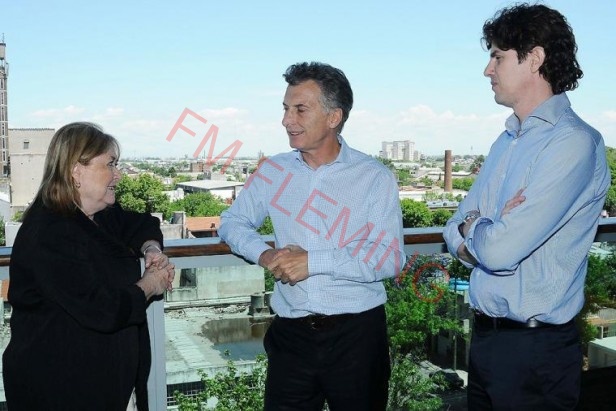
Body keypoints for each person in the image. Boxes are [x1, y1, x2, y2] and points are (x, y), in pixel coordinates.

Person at [444, 4, 609, 410]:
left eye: (497, 57)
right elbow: (454, 227)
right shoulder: (506, 142)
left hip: (536, 354)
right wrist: (484, 229)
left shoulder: (572, 143)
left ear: (534, 58)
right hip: (486, 342)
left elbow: (499, 252)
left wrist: (475, 227)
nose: (487, 70)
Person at [219, 62, 405, 410]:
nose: (286, 120)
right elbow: (232, 222)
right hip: (291, 337)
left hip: (357, 338)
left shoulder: (374, 177)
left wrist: (313, 262)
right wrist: (265, 254)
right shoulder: (273, 171)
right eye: (285, 109)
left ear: (334, 117)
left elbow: (389, 257)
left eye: (300, 109)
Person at [2, 122, 175, 410]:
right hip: (58, 391)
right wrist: (151, 284)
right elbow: (102, 309)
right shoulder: (50, 234)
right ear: (75, 170)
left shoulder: (96, 216)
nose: (118, 174)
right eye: (110, 164)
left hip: (95, 387)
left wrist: (151, 249)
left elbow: (142, 224)